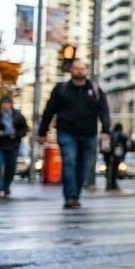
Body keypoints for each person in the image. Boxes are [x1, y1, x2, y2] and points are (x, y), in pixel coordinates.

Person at [38, 59, 111, 209]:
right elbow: (49, 110)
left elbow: (104, 111)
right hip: (66, 132)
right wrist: (43, 131)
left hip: (89, 134)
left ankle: (76, 196)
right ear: (70, 71)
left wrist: (105, 130)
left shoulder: (96, 90)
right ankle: (69, 197)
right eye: (76, 68)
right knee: (69, 162)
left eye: (82, 69)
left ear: (87, 71)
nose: (79, 71)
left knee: (82, 166)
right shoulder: (61, 89)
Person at [0, 97, 29, 199]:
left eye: (8, 104)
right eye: (4, 104)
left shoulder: (18, 116)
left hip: (12, 144)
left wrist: (17, 135)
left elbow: (24, 129)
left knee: (11, 167)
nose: (5, 106)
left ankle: (6, 187)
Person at [104, 123, 131, 192]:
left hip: (110, 154)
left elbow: (105, 146)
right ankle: (113, 184)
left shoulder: (110, 135)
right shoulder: (122, 136)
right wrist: (123, 156)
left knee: (109, 170)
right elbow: (125, 147)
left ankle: (109, 184)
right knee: (114, 170)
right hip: (117, 154)